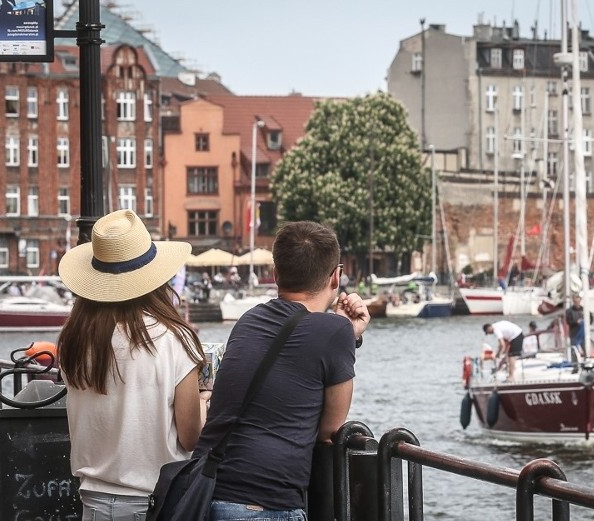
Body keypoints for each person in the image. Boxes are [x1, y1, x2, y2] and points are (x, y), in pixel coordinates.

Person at [195, 221, 369, 520]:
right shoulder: (335, 330)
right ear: (336, 276)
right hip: (267, 504)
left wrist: (341, 332)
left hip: (209, 494)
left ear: (275, 275)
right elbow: (330, 431)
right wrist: (348, 332)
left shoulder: (249, 320)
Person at [56, 209, 209, 520]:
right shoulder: (174, 339)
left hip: (93, 501)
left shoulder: (74, 338)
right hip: (155, 501)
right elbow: (190, 436)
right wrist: (204, 399)